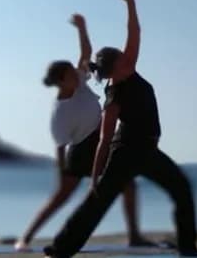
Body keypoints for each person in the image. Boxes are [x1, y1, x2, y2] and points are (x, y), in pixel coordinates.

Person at [44, 0, 197, 258]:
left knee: (182, 188)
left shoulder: (129, 69)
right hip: (126, 153)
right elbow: (105, 139)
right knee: (96, 204)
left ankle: (188, 248)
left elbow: (135, 32)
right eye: (124, 61)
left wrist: (130, 2)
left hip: (148, 150)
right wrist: (95, 178)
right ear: (114, 70)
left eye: (128, 58)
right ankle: (59, 250)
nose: (130, 60)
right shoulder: (115, 95)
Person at [15, 14, 150, 251]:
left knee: (129, 184)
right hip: (79, 152)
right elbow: (60, 148)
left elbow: (86, 52)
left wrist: (82, 27)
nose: (76, 75)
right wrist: (62, 176)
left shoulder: (79, 81)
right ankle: (25, 238)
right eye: (69, 74)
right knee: (60, 198)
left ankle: (134, 236)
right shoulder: (60, 114)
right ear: (60, 81)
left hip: (102, 143)